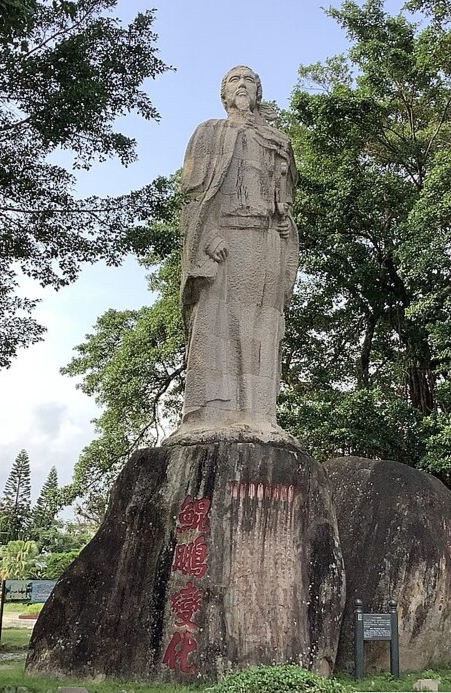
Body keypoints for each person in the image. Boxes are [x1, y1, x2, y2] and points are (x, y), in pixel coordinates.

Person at [166, 65, 299, 446]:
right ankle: (209, 415)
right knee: (216, 325)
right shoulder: (210, 132)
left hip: (267, 241)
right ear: (224, 93)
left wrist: (286, 229)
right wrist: (207, 238)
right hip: (225, 241)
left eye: (250, 81)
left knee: (262, 327)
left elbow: (285, 204)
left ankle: (259, 416)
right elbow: (193, 197)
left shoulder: (278, 141)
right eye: (234, 81)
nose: (242, 86)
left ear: (259, 92)